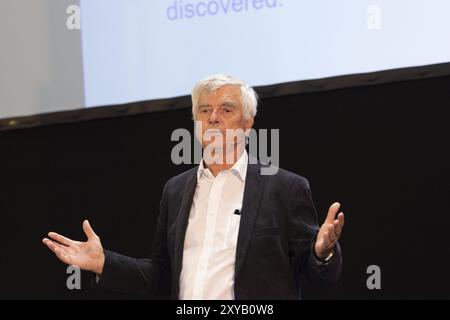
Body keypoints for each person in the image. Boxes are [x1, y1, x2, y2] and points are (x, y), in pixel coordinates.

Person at [43, 74, 345, 299]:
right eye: (204, 110)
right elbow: (161, 275)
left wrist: (322, 253)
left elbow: (321, 274)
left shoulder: (285, 188)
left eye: (226, 110)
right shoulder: (175, 190)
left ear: (247, 122)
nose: (213, 118)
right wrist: (105, 263)